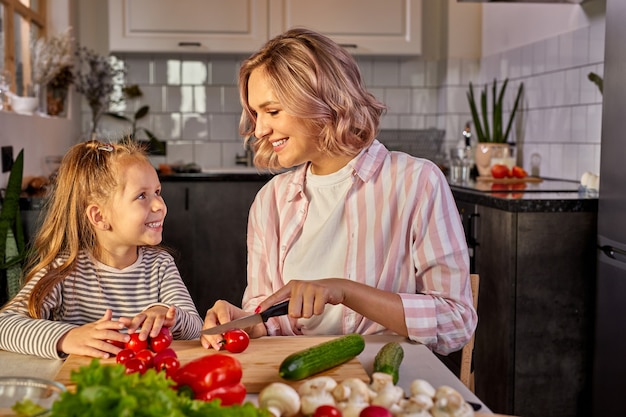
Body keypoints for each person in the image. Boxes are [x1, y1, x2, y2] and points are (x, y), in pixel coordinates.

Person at [201, 28, 477, 356]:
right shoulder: (270, 201)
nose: (260, 129)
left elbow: (455, 321)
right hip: (299, 377)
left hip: (387, 379)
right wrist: (249, 320)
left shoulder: (416, 183)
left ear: (321, 98)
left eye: (272, 111)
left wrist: (345, 291)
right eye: (256, 114)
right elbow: (270, 318)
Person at [0, 139, 203, 359]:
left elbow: (197, 329)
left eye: (157, 191)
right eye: (142, 196)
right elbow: (5, 325)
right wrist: (68, 337)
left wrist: (169, 315)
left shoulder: (160, 265)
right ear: (99, 216)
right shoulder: (64, 270)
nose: (159, 205)